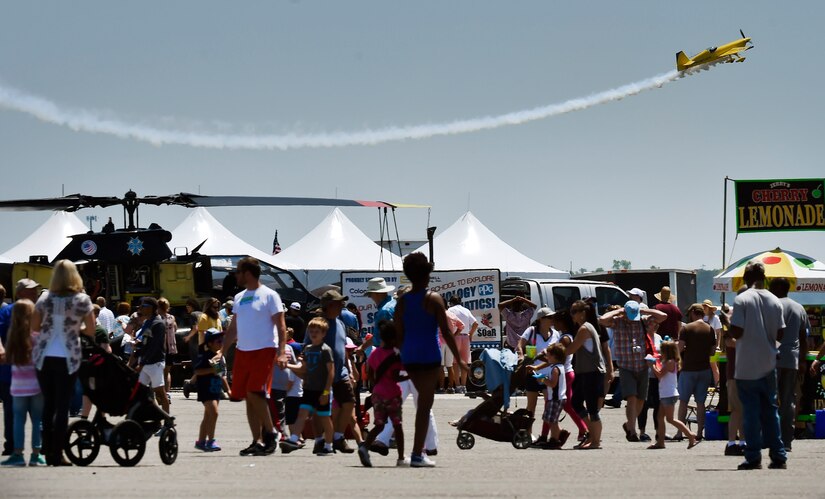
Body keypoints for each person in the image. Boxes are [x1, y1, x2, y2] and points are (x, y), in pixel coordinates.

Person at [394, 252, 466, 467]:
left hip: (409, 355)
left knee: (416, 405)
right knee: (424, 406)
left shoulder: (402, 301)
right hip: (429, 355)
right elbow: (446, 330)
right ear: (427, 274)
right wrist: (459, 359)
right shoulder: (433, 299)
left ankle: (412, 452)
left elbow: (398, 333)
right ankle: (418, 453)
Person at [31, 261, 96, 466]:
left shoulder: (44, 298)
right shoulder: (82, 300)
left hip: (44, 355)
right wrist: (77, 326)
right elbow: (91, 331)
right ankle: (57, 454)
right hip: (68, 356)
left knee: (48, 405)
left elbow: (34, 327)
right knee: (62, 406)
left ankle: (47, 450)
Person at [222, 257, 287, 457]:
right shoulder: (240, 297)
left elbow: (281, 325)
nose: (236, 275)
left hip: (265, 349)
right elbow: (233, 329)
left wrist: (282, 352)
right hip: (243, 351)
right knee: (247, 397)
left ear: (247, 273)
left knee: (254, 392)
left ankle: (271, 432)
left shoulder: (270, 295)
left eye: (238, 272)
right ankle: (256, 441)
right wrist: (221, 351)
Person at [730, 261, 787, 470]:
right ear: (765, 278)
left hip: (746, 365)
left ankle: (753, 456)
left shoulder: (742, 299)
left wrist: (727, 324)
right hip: (769, 363)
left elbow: (737, 331)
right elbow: (780, 333)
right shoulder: (775, 300)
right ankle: (778, 455)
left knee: (751, 412)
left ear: (746, 277)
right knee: (771, 411)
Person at [599, 300, 666, 442]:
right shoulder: (617, 322)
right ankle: (632, 431)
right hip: (626, 365)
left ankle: (629, 424)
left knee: (642, 399)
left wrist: (643, 311)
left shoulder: (642, 321)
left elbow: (663, 316)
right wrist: (619, 311)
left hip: (642, 365)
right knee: (631, 397)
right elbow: (603, 320)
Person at [280, 317, 336, 456]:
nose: (313, 334)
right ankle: (293, 440)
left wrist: (326, 392)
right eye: (311, 331)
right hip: (309, 389)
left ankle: (328, 445)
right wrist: (287, 365)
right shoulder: (308, 349)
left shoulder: (325, 350)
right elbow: (302, 369)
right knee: (302, 413)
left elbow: (331, 372)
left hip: (321, 391)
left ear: (324, 333)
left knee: (324, 419)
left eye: (317, 331)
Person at [0, 299, 46, 467]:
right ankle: (36, 454)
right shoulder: (37, 336)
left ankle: (18, 454)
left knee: (18, 419)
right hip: (36, 385)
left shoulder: (12, 338)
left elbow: (5, 359)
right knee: (37, 420)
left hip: (18, 385)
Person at [357, 321, 406, 467]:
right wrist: (409, 377)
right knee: (397, 426)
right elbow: (397, 376)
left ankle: (364, 447)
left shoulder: (375, 353)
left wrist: (376, 386)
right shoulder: (397, 355)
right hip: (392, 394)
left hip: (378, 393)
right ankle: (401, 458)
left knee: (379, 425)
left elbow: (370, 373)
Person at [769, 277, 809, 451]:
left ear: (774, 289)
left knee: (769, 400)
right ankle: (786, 441)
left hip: (770, 359)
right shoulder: (798, 307)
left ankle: (770, 438)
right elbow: (804, 338)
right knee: (788, 401)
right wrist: (803, 360)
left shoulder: (770, 306)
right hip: (791, 360)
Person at [565, 300, 606, 449]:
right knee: (576, 402)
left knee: (592, 408)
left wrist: (552, 353)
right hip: (585, 372)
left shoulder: (584, 329)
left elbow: (571, 349)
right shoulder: (586, 327)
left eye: (574, 312)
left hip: (592, 372)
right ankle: (592, 434)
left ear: (582, 313)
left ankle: (595, 441)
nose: (572, 316)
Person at [675, 304, 716, 441]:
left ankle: (680, 433)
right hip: (704, 370)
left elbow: (679, 348)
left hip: (688, 369)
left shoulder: (686, 328)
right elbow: (712, 351)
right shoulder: (710, 329)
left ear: (693, 312)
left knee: (683, 402)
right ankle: (699, 433)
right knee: (700, 403)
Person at [517, 308, 557, 443]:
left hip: (549, 374)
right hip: (532, 373)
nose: (552, 319)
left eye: (552, 317)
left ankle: (545, 435)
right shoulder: (531, 331)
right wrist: (521, 355)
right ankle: (528, 434)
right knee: (531, 407)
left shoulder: (556, 334)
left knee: (549, 405)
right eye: (549, 317)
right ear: (541, 319)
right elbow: (520, 345)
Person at [648, 340, 698, 450]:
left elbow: (660, 375)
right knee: (660, 417)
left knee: (670, 419)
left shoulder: (670, 362)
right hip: (665, 393)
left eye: (662, 350)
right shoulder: (668, 361)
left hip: (669, 394)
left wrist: (652, 366)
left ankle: (690, 436)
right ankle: (660, 442)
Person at [194, 329, 230, 452]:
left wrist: (228, 390)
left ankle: (201, 441)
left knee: (208, 416)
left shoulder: (218, 357)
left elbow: (221, 374)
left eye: (222, 340)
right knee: (214, 413)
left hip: (215, 389)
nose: (221, 343)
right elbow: (198, 371)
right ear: (209, 343)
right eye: (218, 341)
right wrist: (211, 370)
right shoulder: (205, 355)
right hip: (206, 389)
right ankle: (211, 441)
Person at [134, 297, 170, 415]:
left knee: (160, 392)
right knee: (141, 392)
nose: (140, 308)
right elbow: (145, 341)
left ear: (151, 308)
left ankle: (167, 421)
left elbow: (154, 346)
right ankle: (153, 416)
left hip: (155, 362)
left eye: (143, 306)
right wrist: (137, 345)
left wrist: (142, 363)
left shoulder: (158, 323)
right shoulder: (147, 322)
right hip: (145, 362)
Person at [538, 343, 569, 449]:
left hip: (556, 398)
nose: (547, 357)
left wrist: (542, 379)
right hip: (556, 398)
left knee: (552, 421)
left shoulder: (555, 369)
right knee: (549, 419)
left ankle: (554, 440)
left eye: (549, 355)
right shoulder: (559, 367)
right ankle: (560, 434)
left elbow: (552, 384)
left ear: (555, 356)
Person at [447, 296, 478, 394]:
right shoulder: (466, 310)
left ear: (451, 302)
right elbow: (476, 323)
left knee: (455, 362)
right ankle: (464, 386)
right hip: (465, 337)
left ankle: (458, 385)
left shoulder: (450, 310)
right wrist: (470, 334)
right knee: (464, 362)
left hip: (455, 336)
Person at [158, 298, 178, 402]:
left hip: (160, 348)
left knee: (159, 372)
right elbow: (175, 329)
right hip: (170, 347)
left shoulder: (157, 318)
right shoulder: (171, 317)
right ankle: (167, 393)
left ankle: (161, 395)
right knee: (167, 372)